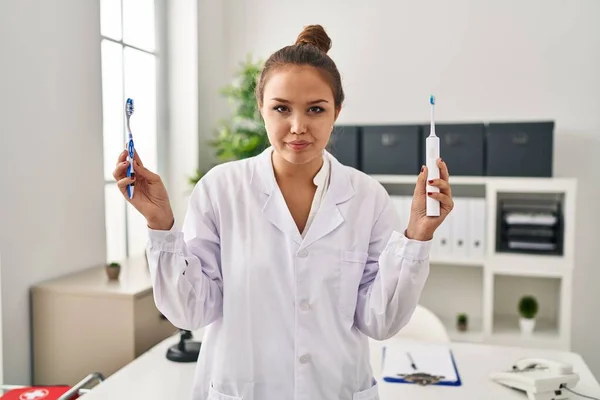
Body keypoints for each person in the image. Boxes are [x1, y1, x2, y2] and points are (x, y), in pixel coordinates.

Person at [113, 24, 453, 400]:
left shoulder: (367, 197)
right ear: (262, 109)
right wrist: (160, 224)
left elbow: (381, 320)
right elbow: (190, 313)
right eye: (281, 109)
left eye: (315, 109)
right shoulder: (221, 189)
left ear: (336, 111)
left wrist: (417, 235)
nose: (297, 127)